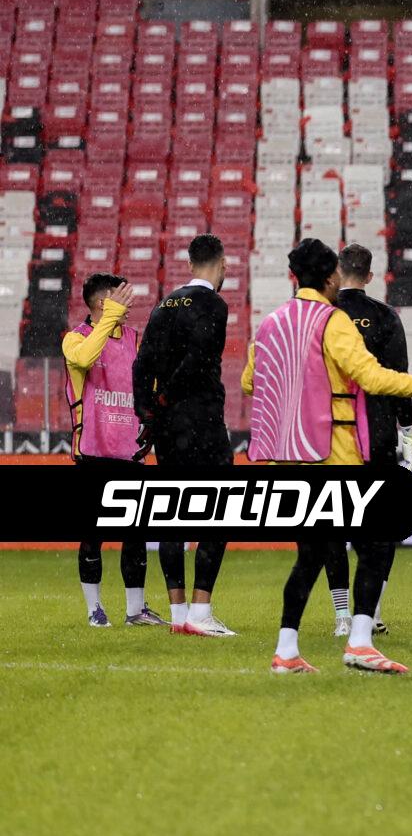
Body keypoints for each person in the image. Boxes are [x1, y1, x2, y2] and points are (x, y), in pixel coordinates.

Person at [243, 239, 412, 675]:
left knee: (310, 556)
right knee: (377, 544)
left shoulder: (272, 323)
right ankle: (360, 642)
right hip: (336, 456)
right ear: (330, 278)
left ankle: (287, 649)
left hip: (291, 458)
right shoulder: (333, 321)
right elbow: (375, 378)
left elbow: (251, 382)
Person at [131, 232, 235, 636]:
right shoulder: (214, 304)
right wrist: (167, 397)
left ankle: (178, 616)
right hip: (202, 420)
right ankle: (201, 612)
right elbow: (199, 359)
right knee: (220, 512)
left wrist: (149, 411)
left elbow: (141, 364)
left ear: (190, 264)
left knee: (172, 514)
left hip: (169, 427)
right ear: (222, 264)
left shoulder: (164, 304)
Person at [65, 273, 163, 627]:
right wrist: (109, 318)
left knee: (135, 536)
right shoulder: (76, 338)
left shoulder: (135, 339)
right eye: (119, 296)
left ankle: (135, 611)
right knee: (93, 537)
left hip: (130, 453)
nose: (128, 302)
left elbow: (150, 385)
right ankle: (94, 610)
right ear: (100, 303)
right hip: (93, 452)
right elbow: (84, 360)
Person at [329, 244, 411, 635]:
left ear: (337, 272)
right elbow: (399, 378)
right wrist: (407, 429)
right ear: (371, 276)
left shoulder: (325, 314)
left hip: (332, 431)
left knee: (332, 523)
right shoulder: (385, 316)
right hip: (376, 433)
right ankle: (372, 611)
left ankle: (342, 615)